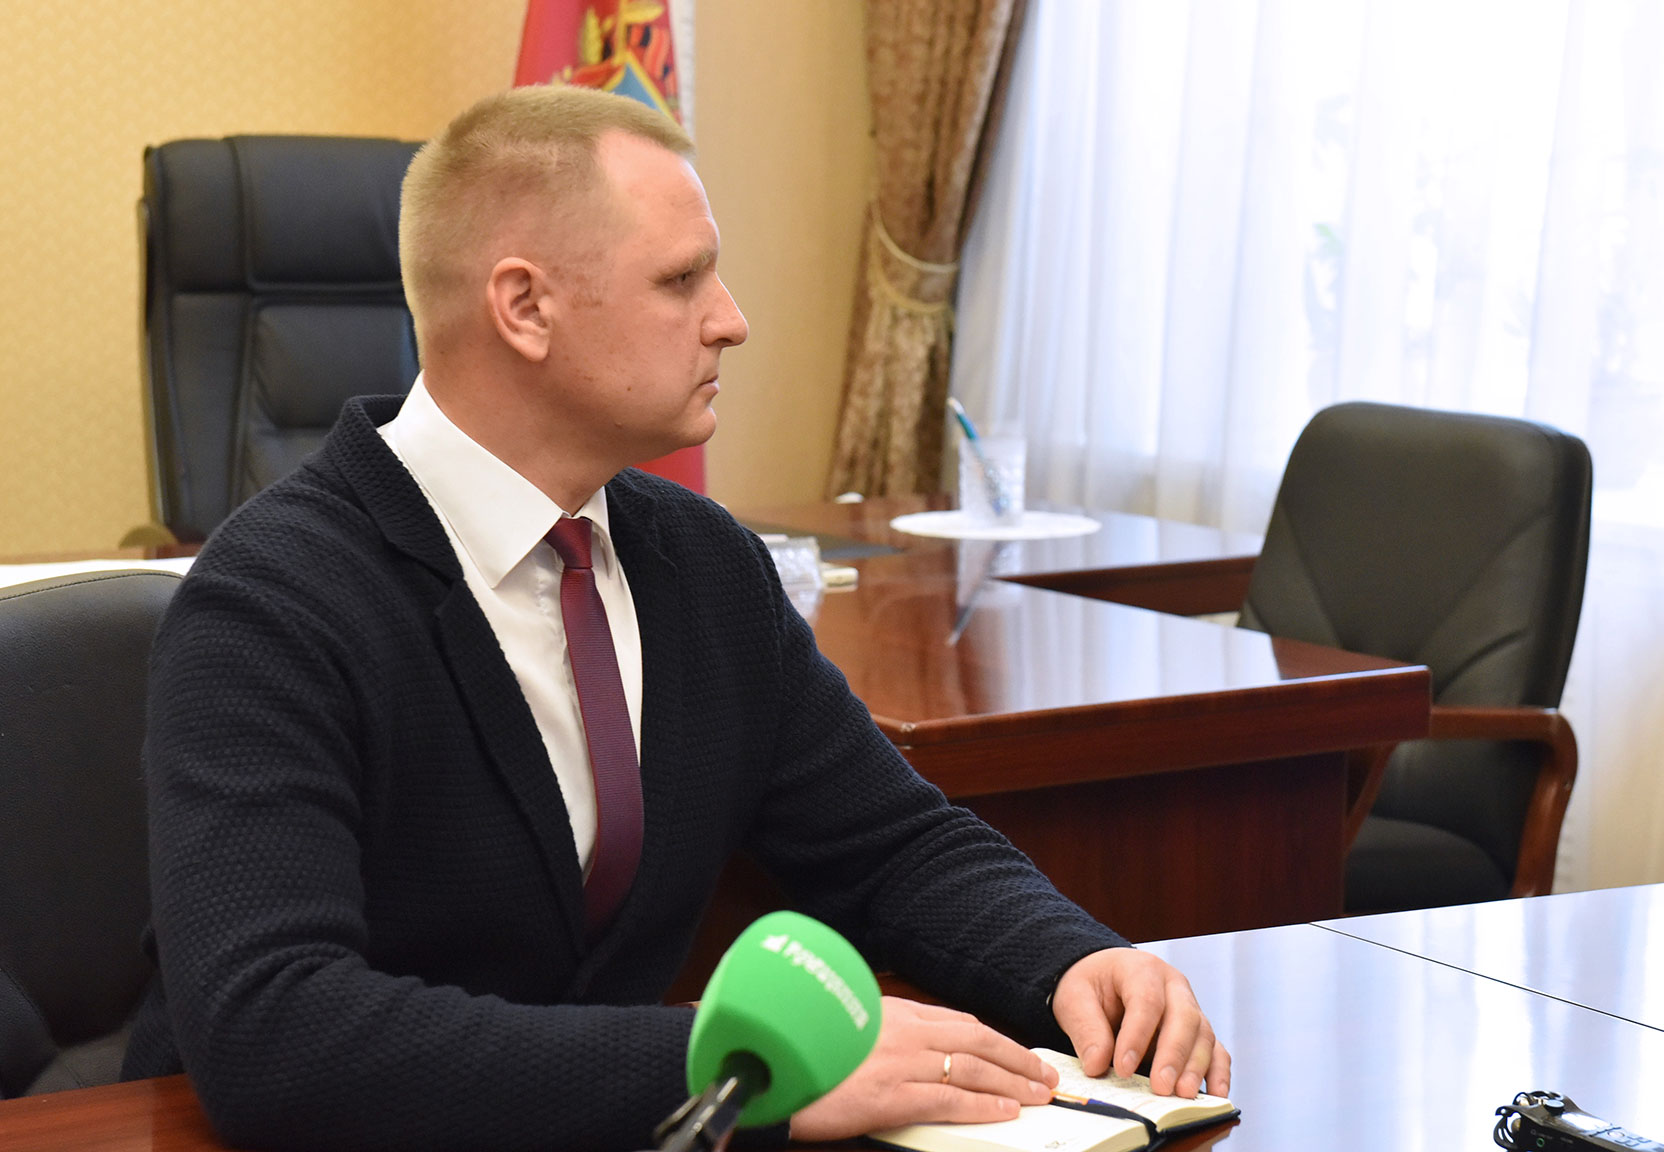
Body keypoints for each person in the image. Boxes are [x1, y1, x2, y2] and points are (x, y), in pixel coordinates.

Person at [124, 85, 1228, 1150]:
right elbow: (276, 1027)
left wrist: (1069, 961)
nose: (732, 321)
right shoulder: (270, 604)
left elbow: (887, 844)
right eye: (682, 279)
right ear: (525, 307)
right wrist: (724, 1075)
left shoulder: (700, 562)